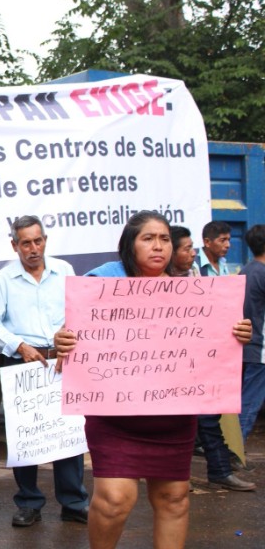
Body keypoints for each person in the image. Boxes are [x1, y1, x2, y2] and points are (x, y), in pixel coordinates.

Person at [54, 210, 252, 549]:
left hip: (173, 418)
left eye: (164, 239)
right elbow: (71, 336)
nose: (158, 246)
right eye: (148, 238)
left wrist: (236, 333)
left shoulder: (194, 294)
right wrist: (62, 341)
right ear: (130, 245)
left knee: (174, 498)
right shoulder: (101, 285)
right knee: (115, 499)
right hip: (114, 417)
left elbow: (211, 347)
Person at [0, 215, 89, 528]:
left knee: (67, 435)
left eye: (38, 240)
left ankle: (73, 502)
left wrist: (70, 335)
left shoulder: (64, 271)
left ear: (45, 240)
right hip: (23, 365)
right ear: (14, 245)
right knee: (26, 438)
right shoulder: (4, 279)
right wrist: (19, 346)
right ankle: (29, 502)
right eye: (26, 243)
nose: (33, 248)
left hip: (62, 362)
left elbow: (79, 311)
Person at [193, 220, 255, 491]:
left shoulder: (224, 268)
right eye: (223, 240)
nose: (228, 245)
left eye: (229, 240)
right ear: (207, 241)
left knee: (210, 414)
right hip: (198, 352)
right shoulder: (194, 270)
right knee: (205, 416)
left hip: (217, 352)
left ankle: (218, 465)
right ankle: (218, 468)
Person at [238, 224, 265, 443]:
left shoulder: (246, 270)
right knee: (251, 400)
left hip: (246, 344)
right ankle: (235, 448)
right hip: (260, 348)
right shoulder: (263, 273)